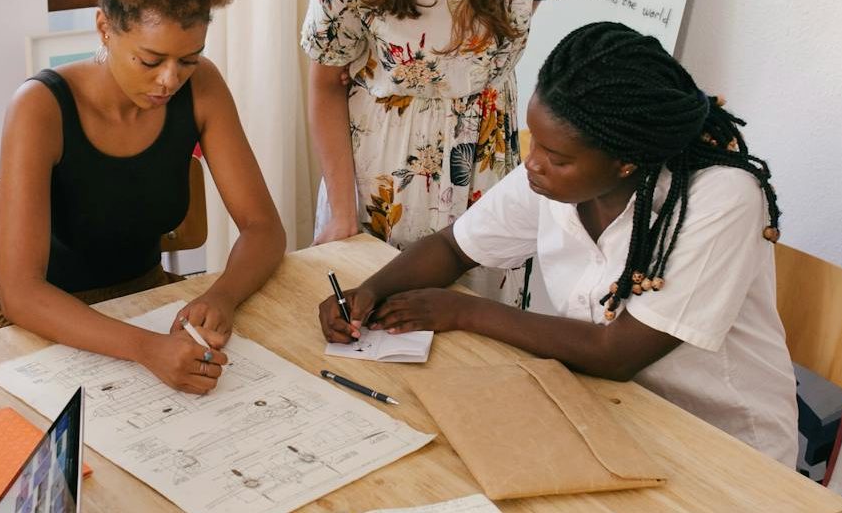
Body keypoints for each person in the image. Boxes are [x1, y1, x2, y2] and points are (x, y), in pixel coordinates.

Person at [318, 23, 799, 466]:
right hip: (607, 412)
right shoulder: (553, 180)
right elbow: (453, 248)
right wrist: (369, 293)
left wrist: (462, 311)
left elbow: (617, 353)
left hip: (722, 447)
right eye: (535, 144)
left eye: (556, 157)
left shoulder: (720, 197)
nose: (532, 164)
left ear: (625, 161)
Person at [0, 0, 286, 395]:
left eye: (188, 59)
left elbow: (263, 228)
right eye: (150, 60)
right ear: (105, 28)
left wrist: (222, 296)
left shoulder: (203, 87)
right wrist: (147, 349)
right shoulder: (40, 108)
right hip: (48, 327)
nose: (170, 80)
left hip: (149, 303)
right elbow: (21, 294)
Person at [301, 0, 567, 303]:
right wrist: (343, 215)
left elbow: (525, 8)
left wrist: (471, 70)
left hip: (485, 161)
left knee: (478, 329)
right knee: (367, 320)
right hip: (383, 172)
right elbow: (325, 85)